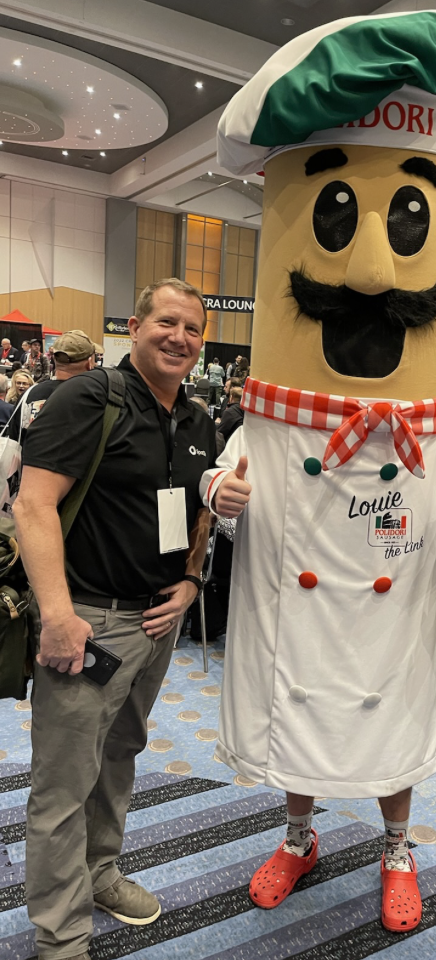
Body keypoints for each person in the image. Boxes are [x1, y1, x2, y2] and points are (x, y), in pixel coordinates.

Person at [203, 8, 436, 934]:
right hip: (301, 614)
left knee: (391, 716)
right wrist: (222, 492)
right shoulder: (266, 418)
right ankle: (297, 837)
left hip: (390, 622)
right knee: (302, 706)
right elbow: (220, 484)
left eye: (412, 217)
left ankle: (398, 848)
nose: (373, 269)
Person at [13, 278, 216, 960]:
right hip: (89, 623)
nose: (179, 337)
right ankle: (61, 933)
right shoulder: (88, 397)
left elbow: (201, 511)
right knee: (63, 783)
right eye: (167, 321)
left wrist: (190, 579)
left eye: (192, 328)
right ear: (136, 324)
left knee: (120, 756)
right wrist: (59, 615)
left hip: (160, 623)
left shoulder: (197, 418)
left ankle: (101, 874)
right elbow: (33, 507)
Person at [6, 329, 96, 445]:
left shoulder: (28, 395)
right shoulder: (94, 399)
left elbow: (14, 441)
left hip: (28, 460)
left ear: (54, 358)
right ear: (89, 363)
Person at [215, 384, 243, 453]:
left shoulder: (230, 411)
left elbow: (220, 432)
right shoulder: (245, 410)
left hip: (230, 445)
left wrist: (217, 424)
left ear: (231, 397)